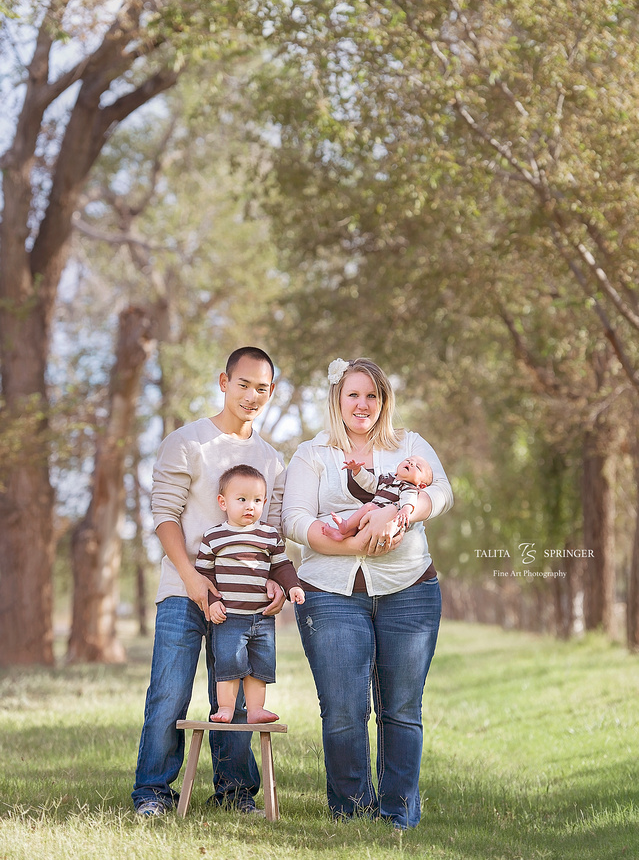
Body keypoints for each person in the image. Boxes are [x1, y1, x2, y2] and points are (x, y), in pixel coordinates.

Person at [282, 357, 453, 830]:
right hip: (329, 593)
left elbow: (441, 493)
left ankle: (398, 814)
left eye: (372, 396)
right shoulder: (311, 453)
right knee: (342, 708)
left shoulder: (410, 445)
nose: (363, 404)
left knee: (400, 707)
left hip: (409, 589)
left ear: (384, 401)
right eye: (353, 394)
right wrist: (353, 541)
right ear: (338, 398)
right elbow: (293, 521)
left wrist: (401, 513)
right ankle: (352, 814)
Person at [132, 347, 287, 817]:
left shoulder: (271, 459)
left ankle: (235, 793)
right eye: (243, 384)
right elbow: (165, 516)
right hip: (184, 589)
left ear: (271, 392)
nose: (252, 395)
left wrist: (278, 583)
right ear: (224, 382)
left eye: (262, 387)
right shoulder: (188, 442)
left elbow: (273, 530)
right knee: (170, 691)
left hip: (244, 600)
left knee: (237, 692)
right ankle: (153, 793)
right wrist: (193, 579)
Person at [195, 463, 305, 725]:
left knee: (260, 665)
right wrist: (211, 603)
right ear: (223, 502)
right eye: (241, 499)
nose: (249, 506)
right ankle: (226, 708)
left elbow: (281, 565)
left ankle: (256, 710)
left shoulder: (269, 535)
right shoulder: (214, 537)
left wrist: (293, 586)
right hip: (229, 616)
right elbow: (204, 575)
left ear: (264, 502)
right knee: (229, 663)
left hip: (262, 617)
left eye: (256, 500)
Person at [321, 454, 433, 542]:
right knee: (359, 522)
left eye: (417, 467)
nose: (412, 463)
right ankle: (340, 535)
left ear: (421, 486)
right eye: (408, 461)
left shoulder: (407, 487)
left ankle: (345, 525)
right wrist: (357, 470)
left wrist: (406, 510)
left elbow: (409, 499)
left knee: (368, 506)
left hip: (385, 518)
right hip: (373, 515)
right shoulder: (386, 479)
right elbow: (370, 482)